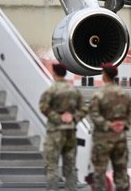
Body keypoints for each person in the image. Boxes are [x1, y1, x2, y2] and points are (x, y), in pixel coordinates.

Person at [39, 62, 87, 191]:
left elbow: (43, 107)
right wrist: (73, 118)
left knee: (52, 166)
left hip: (55, 132)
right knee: (70, 166)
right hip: (70, 132)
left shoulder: (51, 90)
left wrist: (58, 118)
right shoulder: (74, 90)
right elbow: (84, 108)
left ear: (54, 73)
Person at [88, 63, 131, 191]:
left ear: (104, 75)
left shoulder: (98, 95)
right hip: (120, 137)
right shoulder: (124, 94)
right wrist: (123, 125)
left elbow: (94, 114)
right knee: (121, 171)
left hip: (103, 139)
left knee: (99, 171)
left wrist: (108, 125)